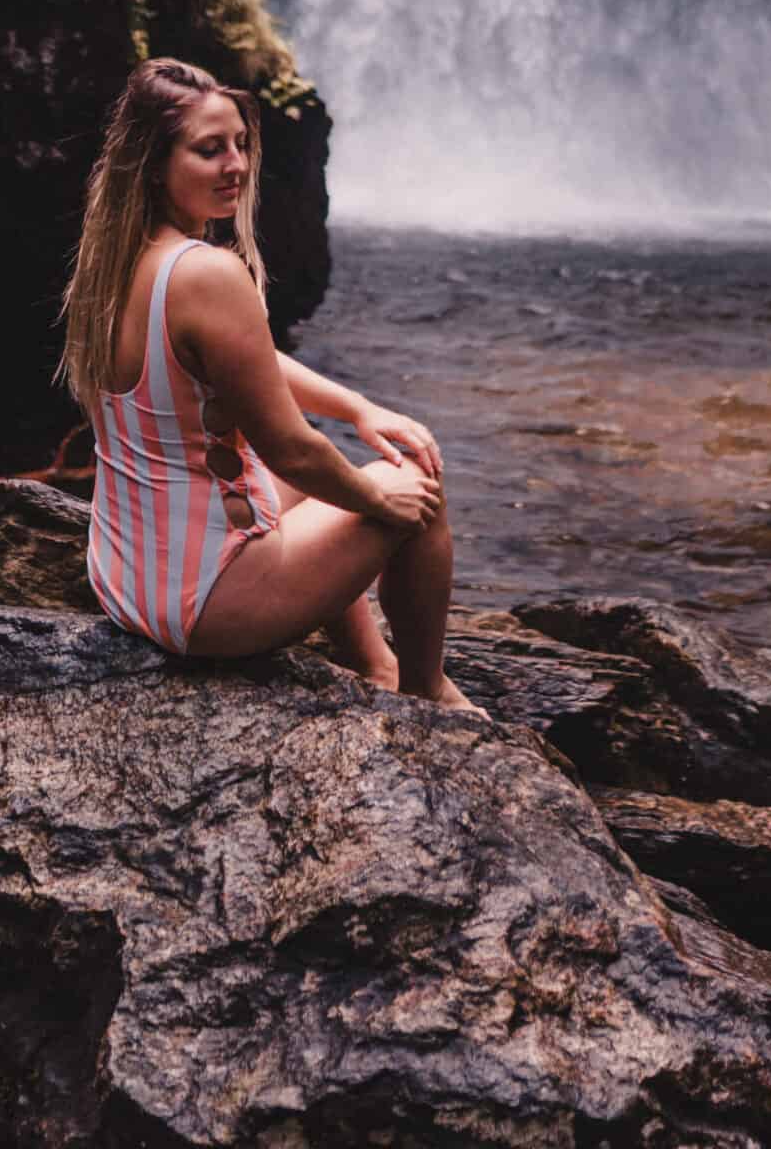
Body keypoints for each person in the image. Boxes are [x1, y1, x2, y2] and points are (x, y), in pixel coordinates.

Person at [58, 56, 470, 705]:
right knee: (416, 485)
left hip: (125, 577)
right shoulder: (207, 273)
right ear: (155, 162)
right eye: (209, 150)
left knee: (305, 478)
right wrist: (376, 500)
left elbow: (248, 361)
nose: (236, 166)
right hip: (203, 604)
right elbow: (293, 449)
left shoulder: (115, 257)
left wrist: (358, 407)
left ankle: (373, 662)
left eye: (242, 145)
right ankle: (426, 693)